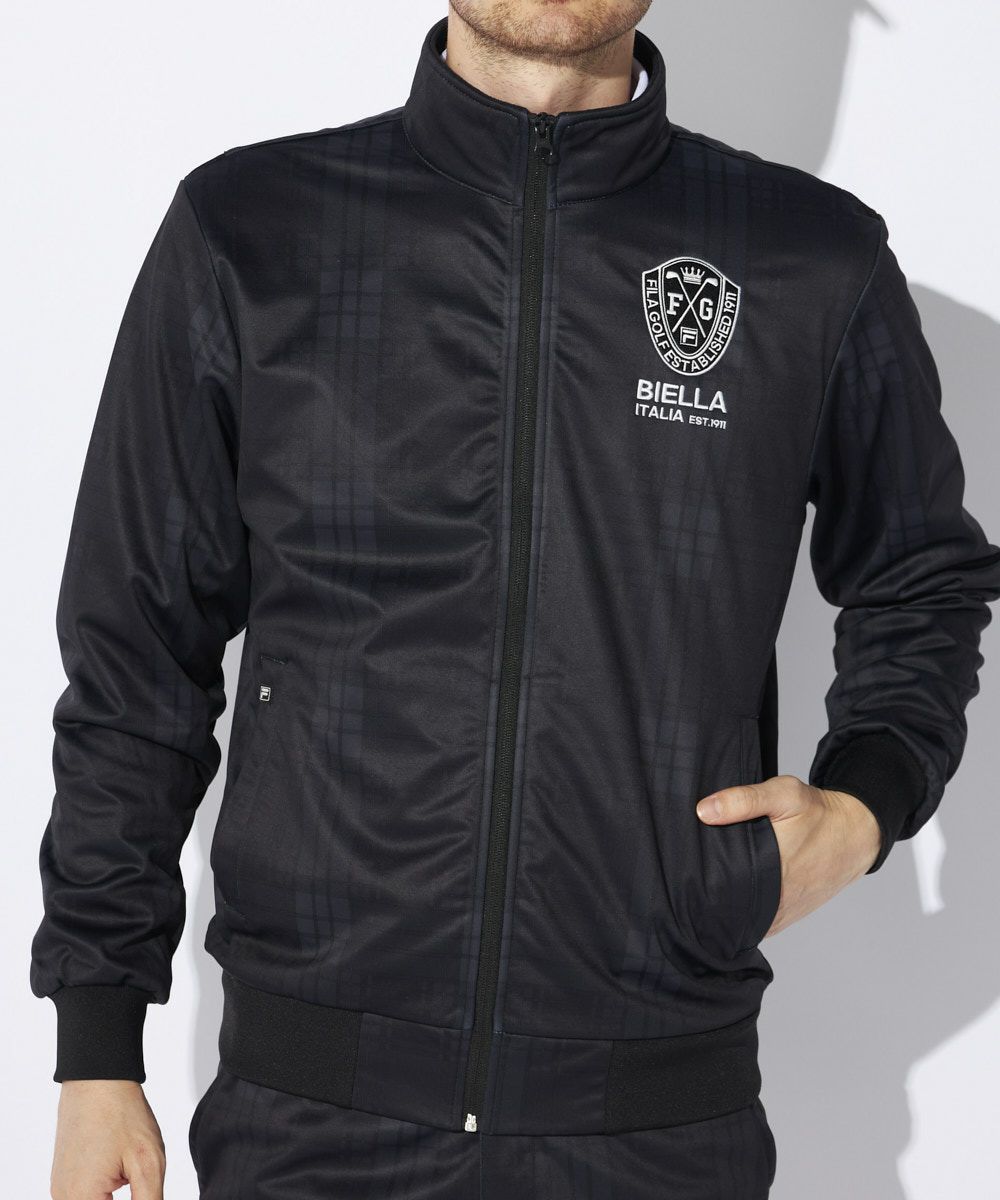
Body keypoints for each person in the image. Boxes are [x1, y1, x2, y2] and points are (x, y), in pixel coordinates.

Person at [30, 2, 1000, 1197]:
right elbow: (137, 648)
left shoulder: (807, 260)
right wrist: (97, 1045)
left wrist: (865, 804)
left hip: (657, 1124)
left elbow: (920, 576)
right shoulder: (254, 231)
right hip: (312, 1125)